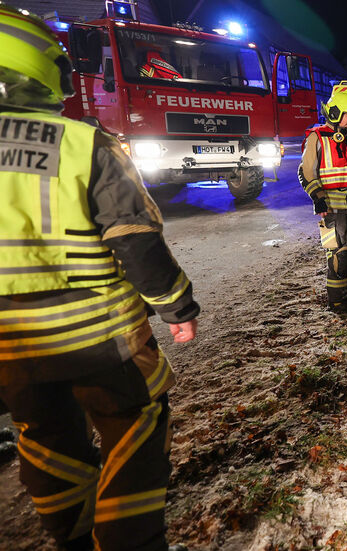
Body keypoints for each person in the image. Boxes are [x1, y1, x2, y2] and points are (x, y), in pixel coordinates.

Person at [0, 6, 199, 550]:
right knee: (135, 428)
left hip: (11, 350)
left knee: (45, 439)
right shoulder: (82, 144)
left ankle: (73, 538)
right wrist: (177, 307)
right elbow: (134, 238)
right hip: (100, 338)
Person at [298, 91, 347, 313]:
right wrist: (318, 199)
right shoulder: (317, 137)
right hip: (332, 208)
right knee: (338, 256)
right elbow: (306, 172)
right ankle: (337, 302)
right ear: (335, 113)